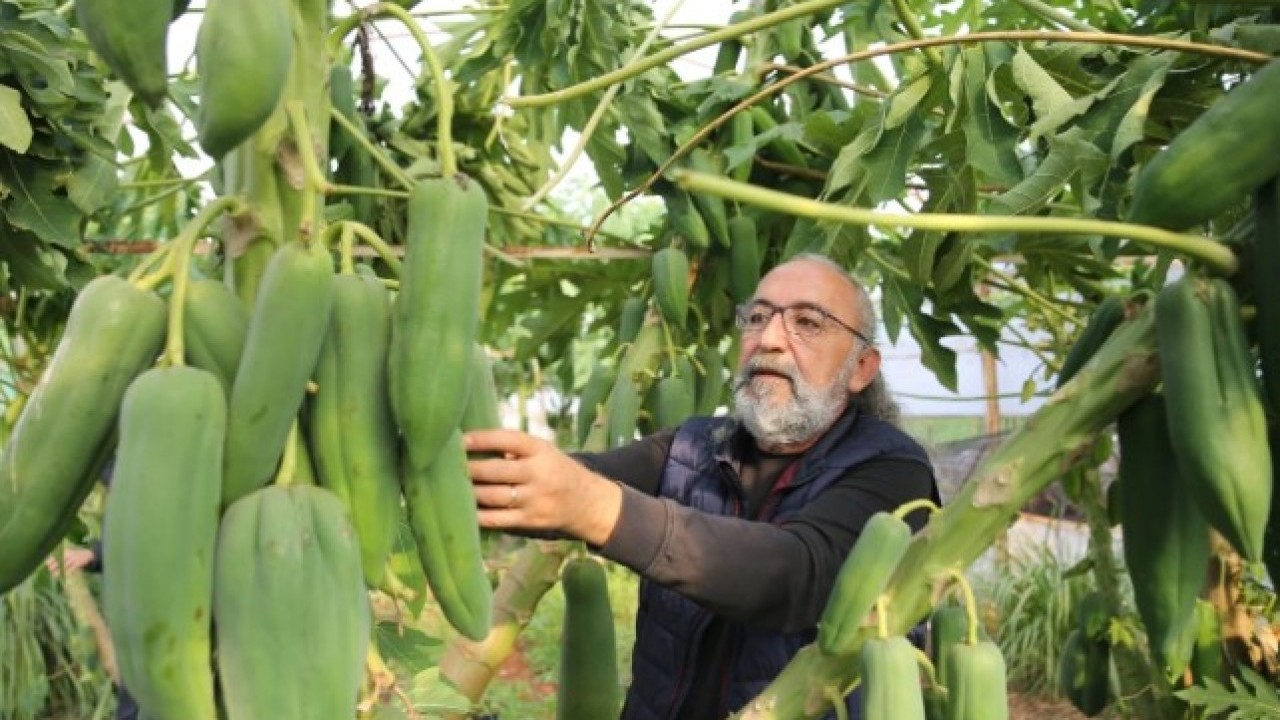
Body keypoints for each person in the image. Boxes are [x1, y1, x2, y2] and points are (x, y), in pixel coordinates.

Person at [465, 253, 939, 720]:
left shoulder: (893, 470)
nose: (769, 338)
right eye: (756, 317)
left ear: (862, 367)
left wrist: (596, 508)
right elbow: (575, 478)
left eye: (808, 323)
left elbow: (797, 572)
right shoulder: (694, 445)